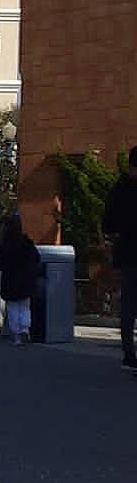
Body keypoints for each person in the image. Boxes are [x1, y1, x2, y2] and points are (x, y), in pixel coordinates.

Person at [102, 145, 137, 369]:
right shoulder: (123, 190)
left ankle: (129, 353)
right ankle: (128, 353)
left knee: (129, 305)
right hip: (129, 254)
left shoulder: (119, 189)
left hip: (127, 253)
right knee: (129, 304)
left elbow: (107, 224)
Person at [0, 212, 41, 345]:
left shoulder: (4, 245)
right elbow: (36, 258)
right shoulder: (26, 243)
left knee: (12, 307)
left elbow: (0, 264)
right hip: (26, 280)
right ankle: (25, 330)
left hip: (11, 281)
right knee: (24, 306)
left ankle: (16, 334)